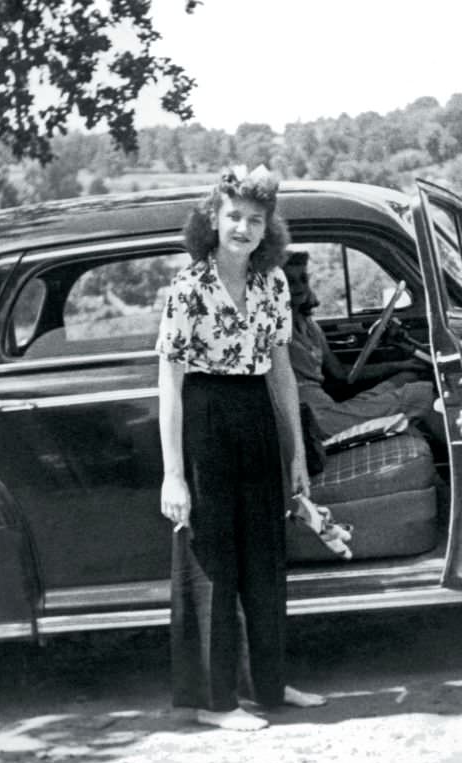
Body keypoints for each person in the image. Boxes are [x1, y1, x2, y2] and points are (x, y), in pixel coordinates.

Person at [156, 166, 326, 732]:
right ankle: (215, 702)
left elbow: (281, 371)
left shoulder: (272, 283)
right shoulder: (188, 287)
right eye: (234, 216)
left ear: (267, 229)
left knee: (264, 557)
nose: (244, 228)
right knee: (214, 563)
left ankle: (271, 686)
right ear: (213, 219)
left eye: (256, 221)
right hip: (204, 415)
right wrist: (173, 475)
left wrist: (295, 453)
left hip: (255, 414)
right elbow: (171, 384)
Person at [283, 250, 436, 438]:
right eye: (290, 281)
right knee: (423, 393)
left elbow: (342, 374)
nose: (299, 287)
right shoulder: (275, 330)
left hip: (330, 410)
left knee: (409, 377)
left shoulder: (311, 326)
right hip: (317, 421)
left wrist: (400, 365)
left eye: (303, 279)